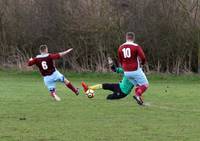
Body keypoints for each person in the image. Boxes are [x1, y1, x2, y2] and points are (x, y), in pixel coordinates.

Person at [118, 32, 149, 105]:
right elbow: (143, 57)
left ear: (126, 38)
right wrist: (142, 63)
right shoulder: (136, 46)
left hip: (126, 72)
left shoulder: (121, 47)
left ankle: (139, 101)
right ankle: (137, 96)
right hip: (135, 70)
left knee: (138, 85)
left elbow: (120, 60)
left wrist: (124, 67)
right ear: (133, 38)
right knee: (145, 85)